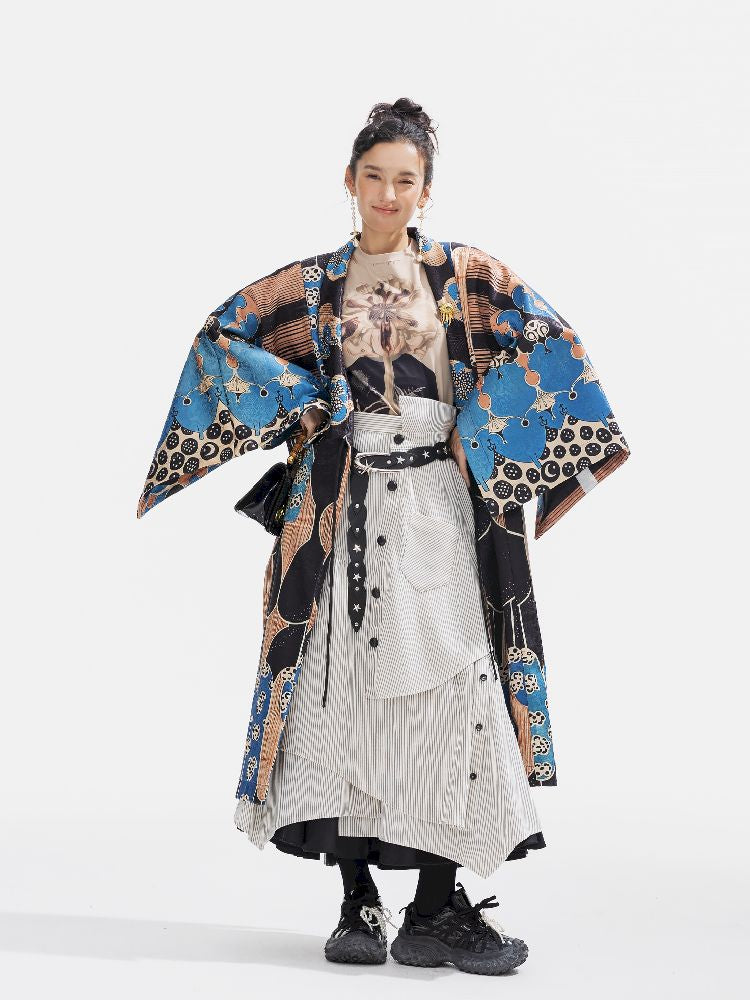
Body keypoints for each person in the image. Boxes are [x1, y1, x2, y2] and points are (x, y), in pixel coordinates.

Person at [137, 97, 630, 977]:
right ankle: (357, 902)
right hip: (342, 508)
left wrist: (483, 432)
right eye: (375, 177)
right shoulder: (312, 286)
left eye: (406, 180)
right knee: (342, 695)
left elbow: (551, 344)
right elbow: (222, 338)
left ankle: (435, 909)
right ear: (350, 181)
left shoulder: (467, 276)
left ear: (426, 189)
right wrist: (307, 406)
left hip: (439, 503)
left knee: (457, 691)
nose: (389, 194)